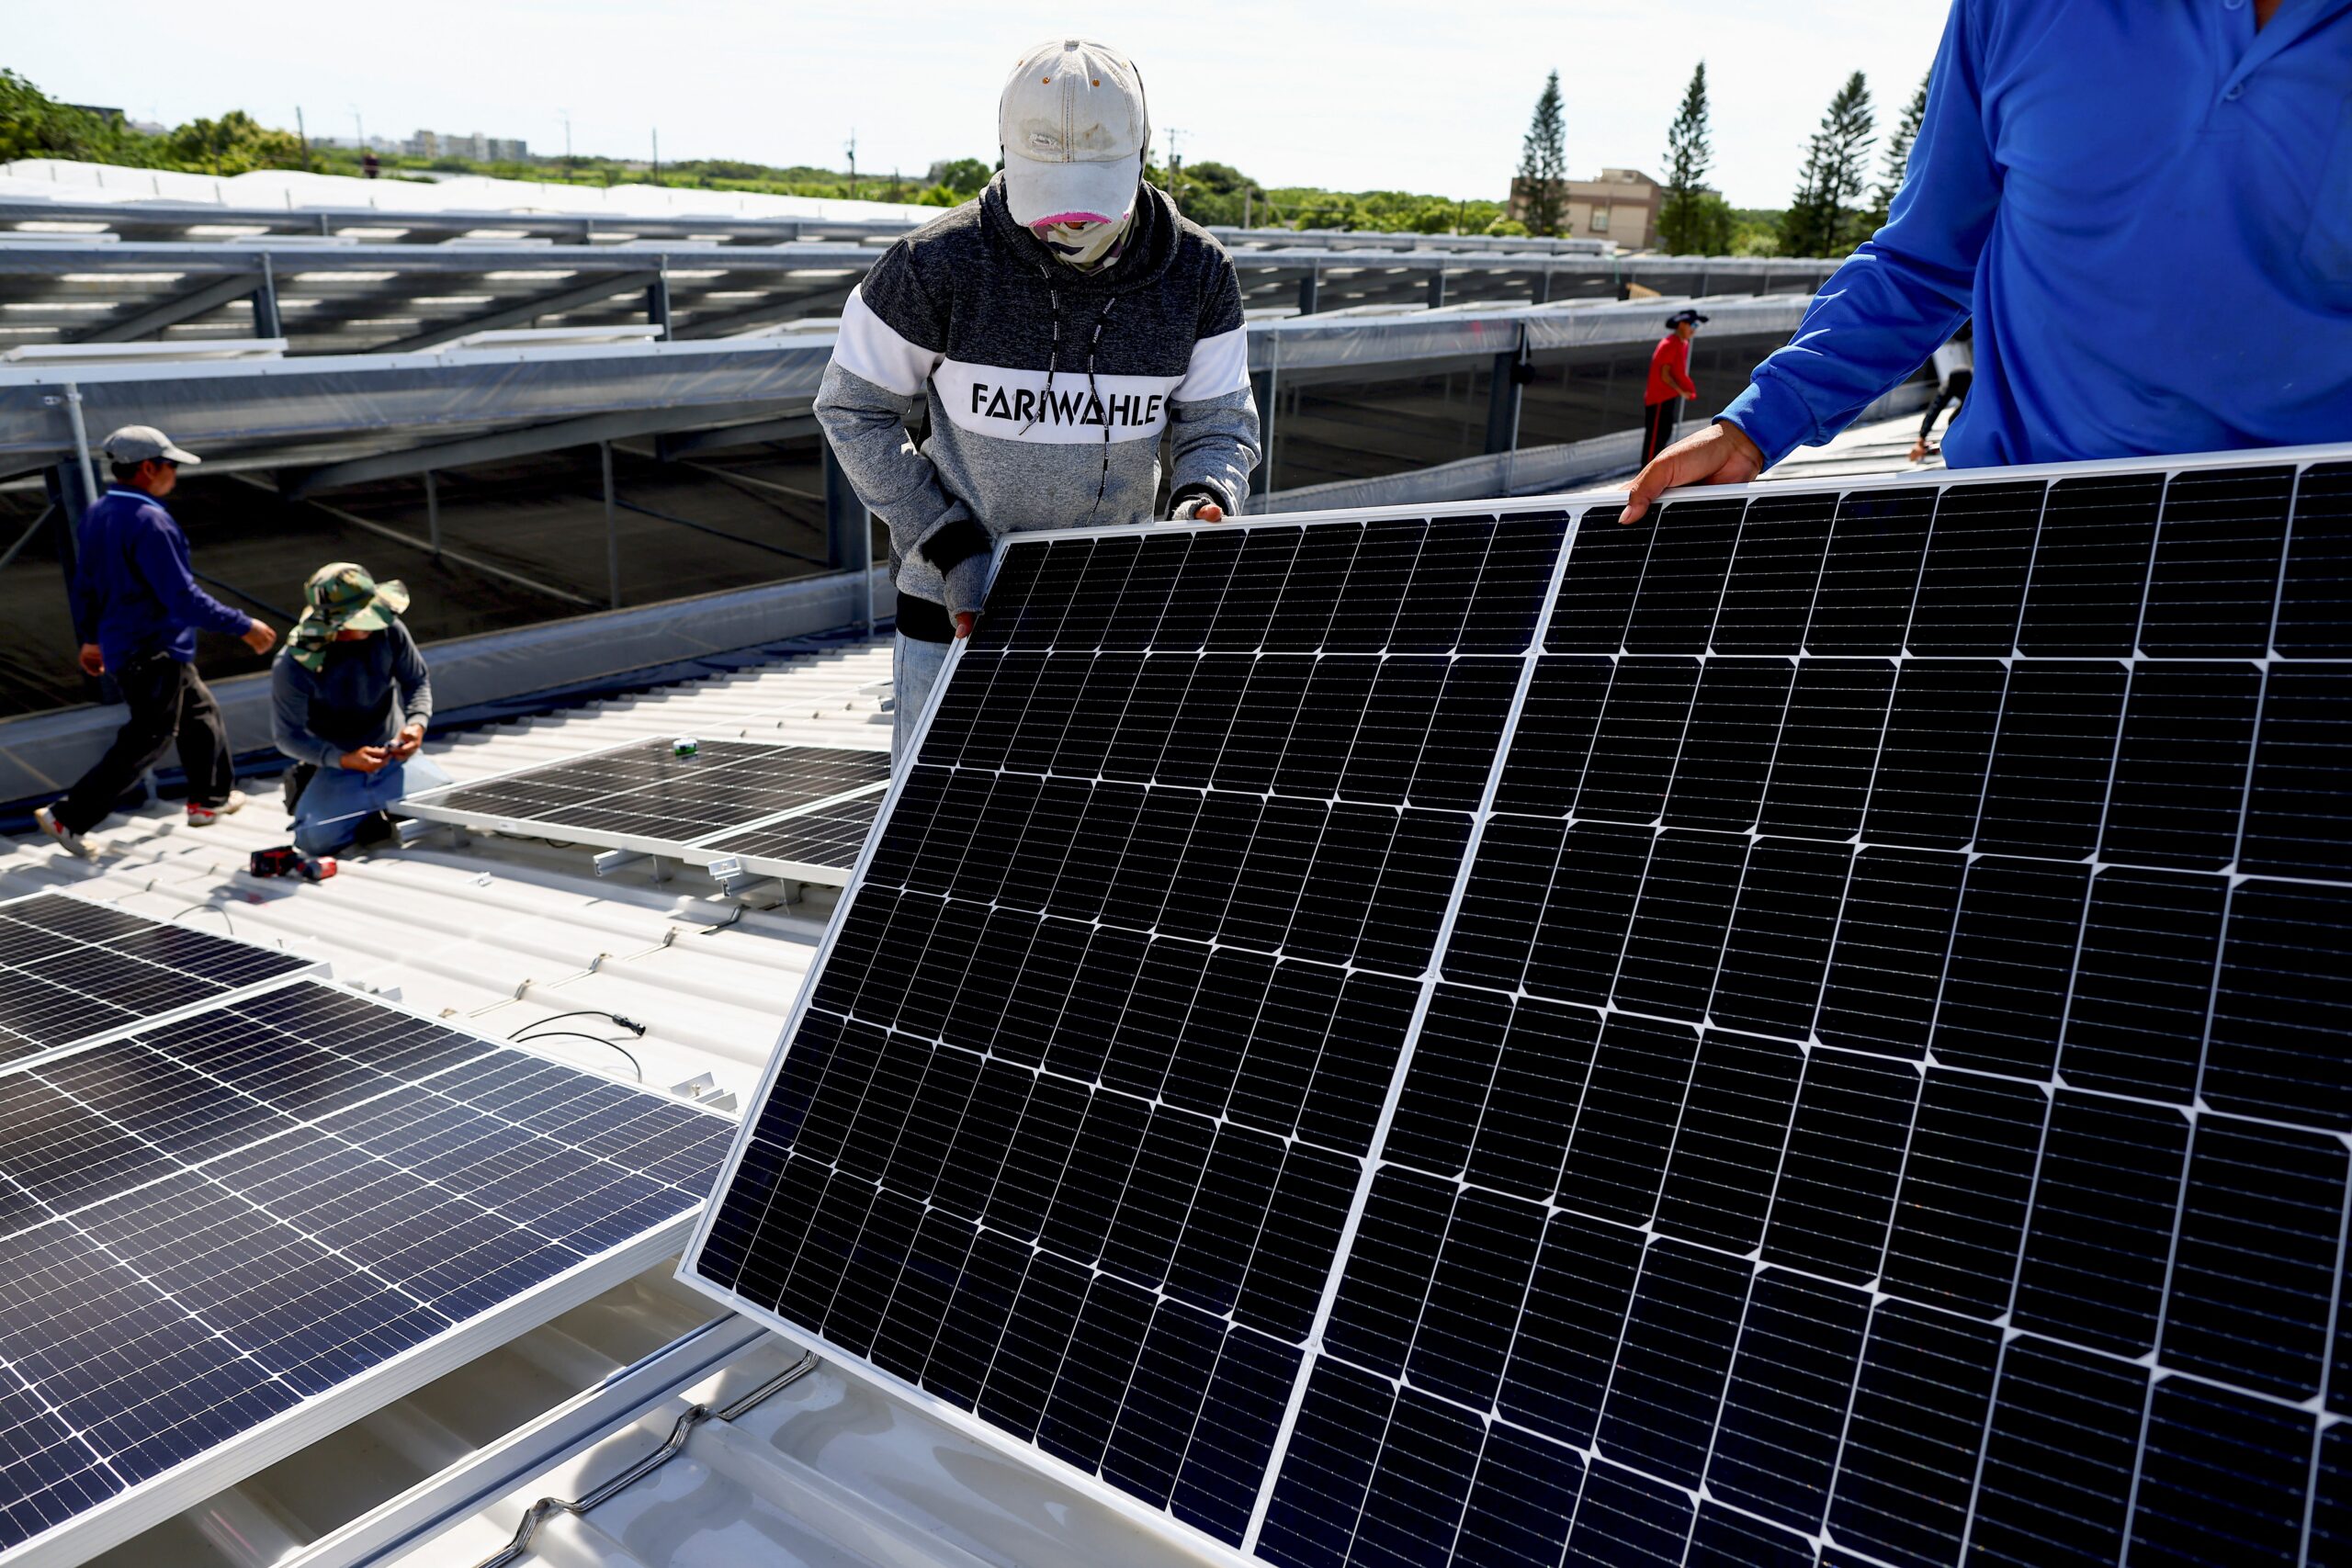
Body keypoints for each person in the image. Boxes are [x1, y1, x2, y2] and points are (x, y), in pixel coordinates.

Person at [1619, 0, 2352, 524]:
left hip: (2305, 564)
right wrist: (1753, 426)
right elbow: (1925, 258)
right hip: (2013, 545)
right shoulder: (2014, 9)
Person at [814, 37, 1261, 754]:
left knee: (1080, 839)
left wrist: (1204, 498)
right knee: (936, 841)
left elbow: (1220, 421)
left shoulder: (1198, 274)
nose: (1070, 223)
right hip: (954, 614)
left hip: (1110, 613)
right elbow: (852, 408)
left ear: (1141, 155)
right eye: (1050, 197)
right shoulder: (936, 264)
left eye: (1091, 199)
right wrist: (946, 540)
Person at [35, 426, 275, 858]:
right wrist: (243, 625)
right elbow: (181, 597)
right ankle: (69, 816)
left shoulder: (99, 513)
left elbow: (86, 585)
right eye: (172, 466)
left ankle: (209, 800)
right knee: (150, 736)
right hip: (153, 647)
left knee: (200, 711)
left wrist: (91, 640)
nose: (175, 475)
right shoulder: (151, 521)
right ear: (149, 468)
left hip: (132, 645)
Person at [269, 562, 447, 856]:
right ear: (332, 622)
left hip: (393, 756)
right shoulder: (293, 664)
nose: (374, 624)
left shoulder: (389, 631)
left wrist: (417, 723)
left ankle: (382, 806)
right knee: (315, 841)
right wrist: (341, 759)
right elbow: (288, 736)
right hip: (338, 764)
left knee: (451, 804)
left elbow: (416, 680)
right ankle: (341, 803)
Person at [1641, 310, 1706, 467]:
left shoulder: (1681, 343)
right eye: (1693, 325)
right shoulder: (1670, 344)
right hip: (1658, 399)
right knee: (1654, 440)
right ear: (1682, 324)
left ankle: (1653, 473)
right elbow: (1665, 375)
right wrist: (1681, 390)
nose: (1695, 329)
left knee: (1664, 435)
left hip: (1668, 397)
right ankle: (1644, 473)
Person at [1910, 324, 1973, 464]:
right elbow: (1934, 409)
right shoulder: (1948, 386)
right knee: (1953, 420)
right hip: (1969, 400)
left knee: (1959, 418)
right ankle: (1958, 444)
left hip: (1976, 401)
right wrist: (1922, 437)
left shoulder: (1975, 381)